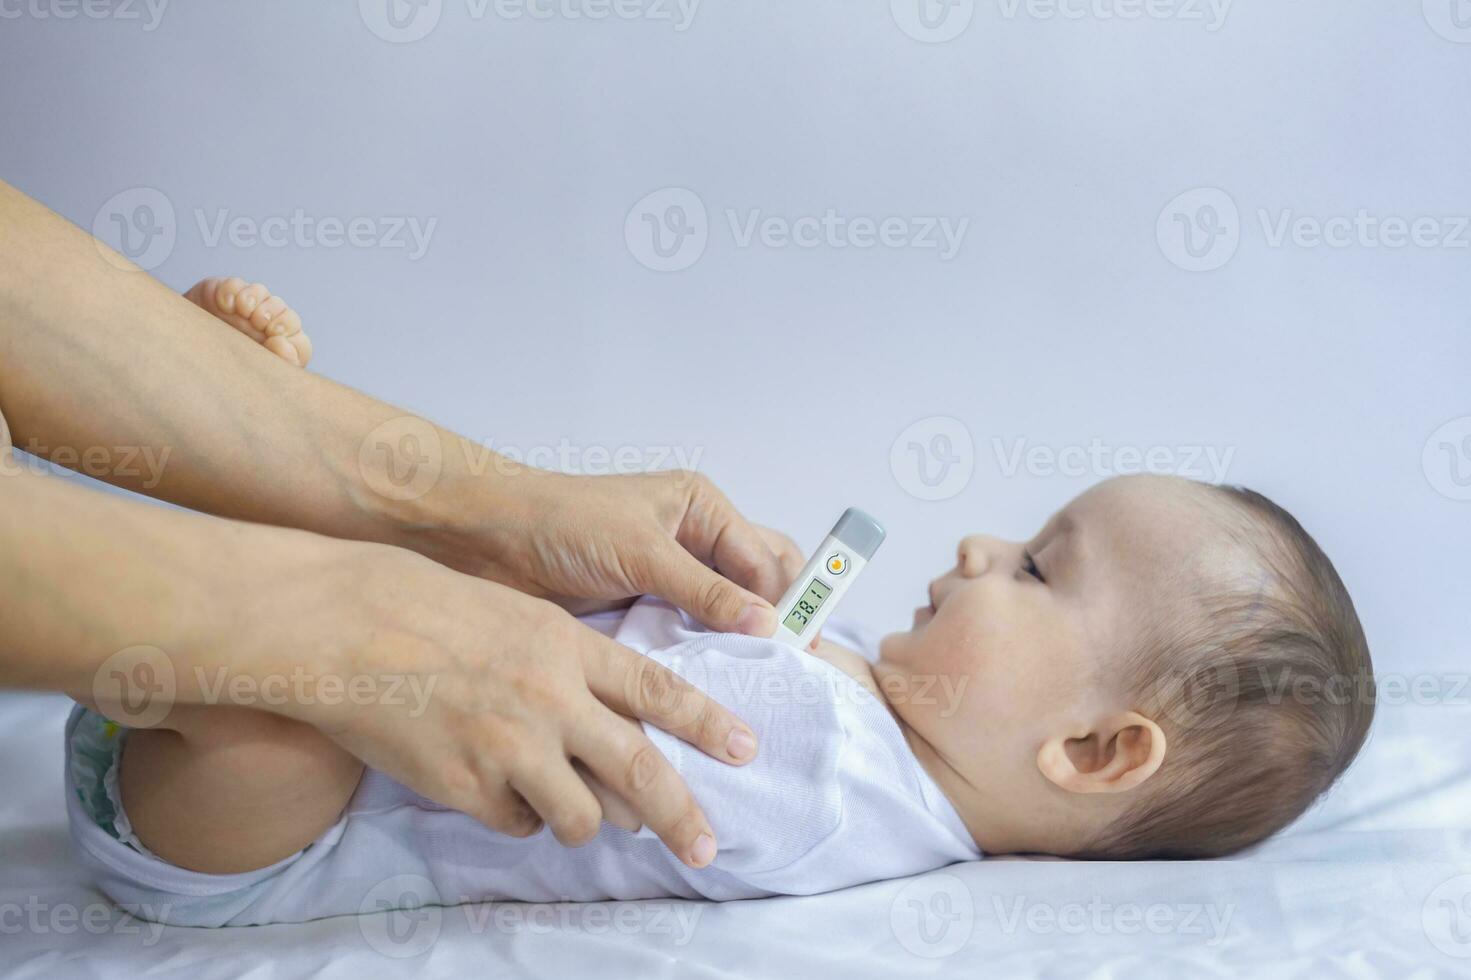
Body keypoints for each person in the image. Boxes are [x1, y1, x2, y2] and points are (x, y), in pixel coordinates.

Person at [63, 471, 1377, 926]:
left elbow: (627, 750)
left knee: (291, 694)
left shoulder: (829, 793)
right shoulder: (865, 700)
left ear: (1091, 749)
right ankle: (181, 519)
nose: (979, 546)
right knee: (329, 606)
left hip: (251, 834)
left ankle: (165, 536)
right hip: (254, 764)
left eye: (1036, 567)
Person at [0, 179, 810, 870]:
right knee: (289, 728)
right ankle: (110, 618)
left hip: (213, 820)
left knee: (279, 738)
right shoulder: (870, 763)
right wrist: (360, 613)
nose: (945, 552)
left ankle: (120, 598)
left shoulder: (900, 789)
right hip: (173, 706)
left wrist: (480, 518)